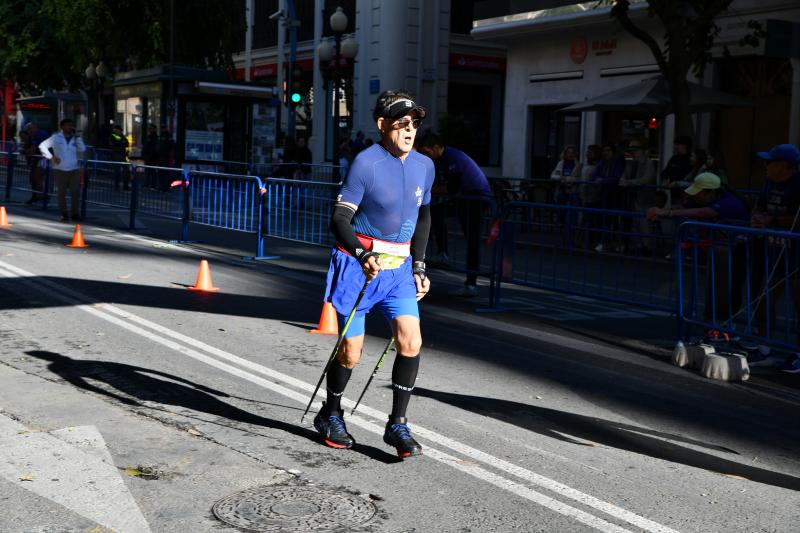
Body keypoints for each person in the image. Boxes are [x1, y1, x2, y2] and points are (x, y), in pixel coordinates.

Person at [315, 90, 434, 457]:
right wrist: (361, 252)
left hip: (397, 271)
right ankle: (330, 413)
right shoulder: (365, 163)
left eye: (414, 124)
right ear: (383, 126)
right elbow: (340, 218)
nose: (410, 131)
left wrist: (419, 265)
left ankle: (397, 424)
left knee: (411, 342)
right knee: (351, 352)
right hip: (357, 268)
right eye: (401, 124)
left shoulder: (425, 166)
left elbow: (424, 215)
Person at [647, 172, 750, 326]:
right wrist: (658, 210)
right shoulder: (706, 198)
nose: (695, 197)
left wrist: (669, 212)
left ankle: (725, 324)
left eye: (698, 193)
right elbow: (684, 207)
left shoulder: (730, 201)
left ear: (710, 192)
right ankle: (713, 322)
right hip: (721, 249)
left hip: (739, 249)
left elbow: (705, 212)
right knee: (716, 285)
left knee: (730, 286)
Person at [416, 131, 494, 297]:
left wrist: (425, 191)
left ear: (437, 147)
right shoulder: (443, 158)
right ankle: (443, 252)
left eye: (427, 152)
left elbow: (451, 188)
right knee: (436, 212)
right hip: (466, 198)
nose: (425, 156)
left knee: (472, 239)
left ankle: (471, 283)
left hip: (476, 199)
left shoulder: (451, 157)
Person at [749, 144, 800, 373]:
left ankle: (798, 354)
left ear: (784, 166)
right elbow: (758, 207)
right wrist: (758, 218)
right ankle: (764, 348)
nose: (765, 165)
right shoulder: (769, 183)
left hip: (797, 253)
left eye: (770, 162)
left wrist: (775, 222)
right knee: (763, 300)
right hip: (775, 250)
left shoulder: (798, 184)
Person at [39, 118, 86, 222]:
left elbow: (82, 149)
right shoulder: (56, 137)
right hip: (59, 169)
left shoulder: (75, 138)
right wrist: (51, 157)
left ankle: (75, 213)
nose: (70, 127)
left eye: (71, 125)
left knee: (75, 191)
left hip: (74, 169)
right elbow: (42, 146)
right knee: (61, 192)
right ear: (62, 127)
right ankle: (64, 213)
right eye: (68, 125)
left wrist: (77, 138)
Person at [591, 142, 626, 252]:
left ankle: (618, 243)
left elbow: (616, 177)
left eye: (608, 150)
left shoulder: (618, 162)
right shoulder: (602, 163)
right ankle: (605, 242)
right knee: (605, 219)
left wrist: (602, 181)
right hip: (604, 194)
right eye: (604, 151)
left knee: (617, 219)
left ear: (613, 152)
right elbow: (594, 175)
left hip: (617, 194)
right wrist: (599, 180)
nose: (606, 153)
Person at [22, 122, 49, 204]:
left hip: (42, 159)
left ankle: (40, 196)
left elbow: (32, 150)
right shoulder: (36, 134)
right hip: (39, 158)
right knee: (33, 178)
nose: (29, 132)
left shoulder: (38, 135)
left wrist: (25, 151)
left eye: (29, 130)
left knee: (37, 177)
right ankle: (36, 196)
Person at [110, 124, 130, 190]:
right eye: (117, 130)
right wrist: (122, 141)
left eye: (119, 130)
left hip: (123, 155)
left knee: (126, 171)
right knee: (117, 171)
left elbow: (127, 145)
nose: (118, 131)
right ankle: (117, 186)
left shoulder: (123, 137)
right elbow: (116, 142)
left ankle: (125, 185)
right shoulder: (113, 136)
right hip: (116, 155)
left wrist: (127, 153)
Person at [142, 124, 159, 188]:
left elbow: (154, 148)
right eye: (150, 129)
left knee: (152, 172)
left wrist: (150, 156)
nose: (150, 130)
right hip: (148, 157)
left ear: (154, 129)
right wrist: (144, 155)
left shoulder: (155, 137)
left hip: (152, 158)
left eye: (151, 128)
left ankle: (152, 185)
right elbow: (145, 147)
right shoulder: (148, 136)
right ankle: (147, 184)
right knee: (147, 172)